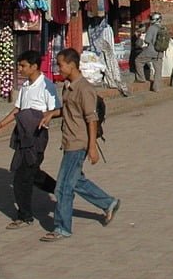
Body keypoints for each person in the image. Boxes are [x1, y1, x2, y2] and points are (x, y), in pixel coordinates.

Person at [40, 48, 120, 242]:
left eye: (61, 64)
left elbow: (91, 119)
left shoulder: (85, 89)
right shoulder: (68, 87)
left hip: (79, 143)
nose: (58, 68)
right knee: (75, 181)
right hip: (68, 141)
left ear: (72, 65)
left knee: (63, 188)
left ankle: (62, 227)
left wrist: (92, 147)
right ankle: (108, 202)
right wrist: (52, 113)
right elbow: (69, 110)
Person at [0, 50, 59, 230]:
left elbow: (57, 109)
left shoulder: (47, 86)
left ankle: (25, 216)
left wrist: (43, 117)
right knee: (32, 174)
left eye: (23, 65)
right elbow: (18, 109)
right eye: (19, 65)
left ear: (34, 66)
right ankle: (61, 190)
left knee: (21, 178)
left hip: (37, 136)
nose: (20, 69)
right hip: (22, 135)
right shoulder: (25, 86)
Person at [91, 12, 129, 96]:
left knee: (109, 69)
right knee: (111, 69)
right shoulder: (98, 31)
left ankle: (114, 83)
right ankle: (116, 83)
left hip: (106, 54)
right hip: (107, 54)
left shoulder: (102, 31)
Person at [134, 12, 164, 91]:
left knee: (138, 61)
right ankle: (156, 87)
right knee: (158, 71)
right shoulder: (163, 28)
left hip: (151, 51)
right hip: (160, 52)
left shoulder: (152, 28)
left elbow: (147, 40)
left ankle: (141, 78)